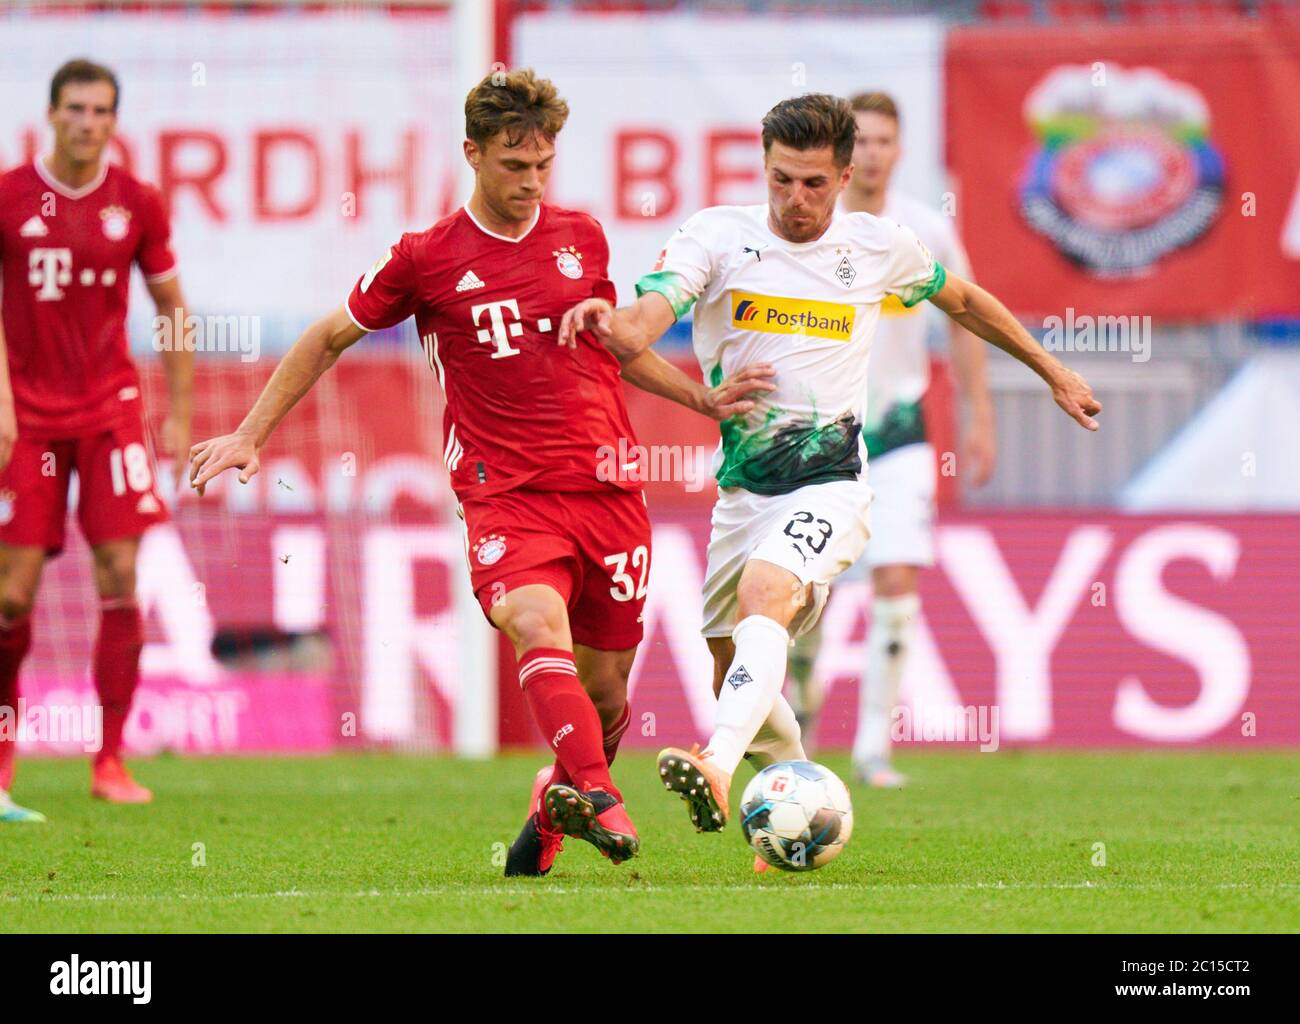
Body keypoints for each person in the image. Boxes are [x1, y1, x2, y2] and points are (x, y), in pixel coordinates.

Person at [188, 69, 771, 875]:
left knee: (605, 700)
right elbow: (328, 336)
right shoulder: (426, 258)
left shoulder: (582, 236)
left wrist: (703, 400)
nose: (530, 183)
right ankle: (601, 798)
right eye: (512, 165)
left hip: (607, 485)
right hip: (505, 492)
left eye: (542, 165)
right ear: (472, 152)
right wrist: (251, 434)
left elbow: (615, 347)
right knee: (535, 624)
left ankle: (555, 800)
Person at [559, 93, 1099, 868]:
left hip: (833, 487)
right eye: (782, 180)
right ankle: (797, 795)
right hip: (743, 494)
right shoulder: (717, 236)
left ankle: (714, 765)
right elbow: (653, 311)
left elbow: (968, 302)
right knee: (730, 666)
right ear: (765, 169)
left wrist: (1052, 370)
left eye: (814, 184)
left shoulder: (880, 247)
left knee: (765, 597)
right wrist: (619, 325)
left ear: (844, 176)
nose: (796, 200)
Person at [0, 59, 193, 821]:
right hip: (29, 416)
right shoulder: (10, 196)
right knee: (13, 591)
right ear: (51, 114)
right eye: (76, 109)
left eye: (102, 110)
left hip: (110, 410)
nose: (88, 122)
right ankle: (3, 759)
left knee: (120, 571)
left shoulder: (136, 203)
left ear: (116, 120)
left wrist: (176, 410)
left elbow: (172, 304)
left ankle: (110, 758)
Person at [788, 91, 997, 788]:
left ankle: (875, 747)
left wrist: (979, 416)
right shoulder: (816, 229)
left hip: (902, 430)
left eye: (885, 140)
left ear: (899, 148)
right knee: (809, 599)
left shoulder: (924, 232)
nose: (873, 152)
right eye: (863, 141)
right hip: (823, 436)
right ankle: (803, 716)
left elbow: (965, 318)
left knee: (897, 576)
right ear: (846, 152)